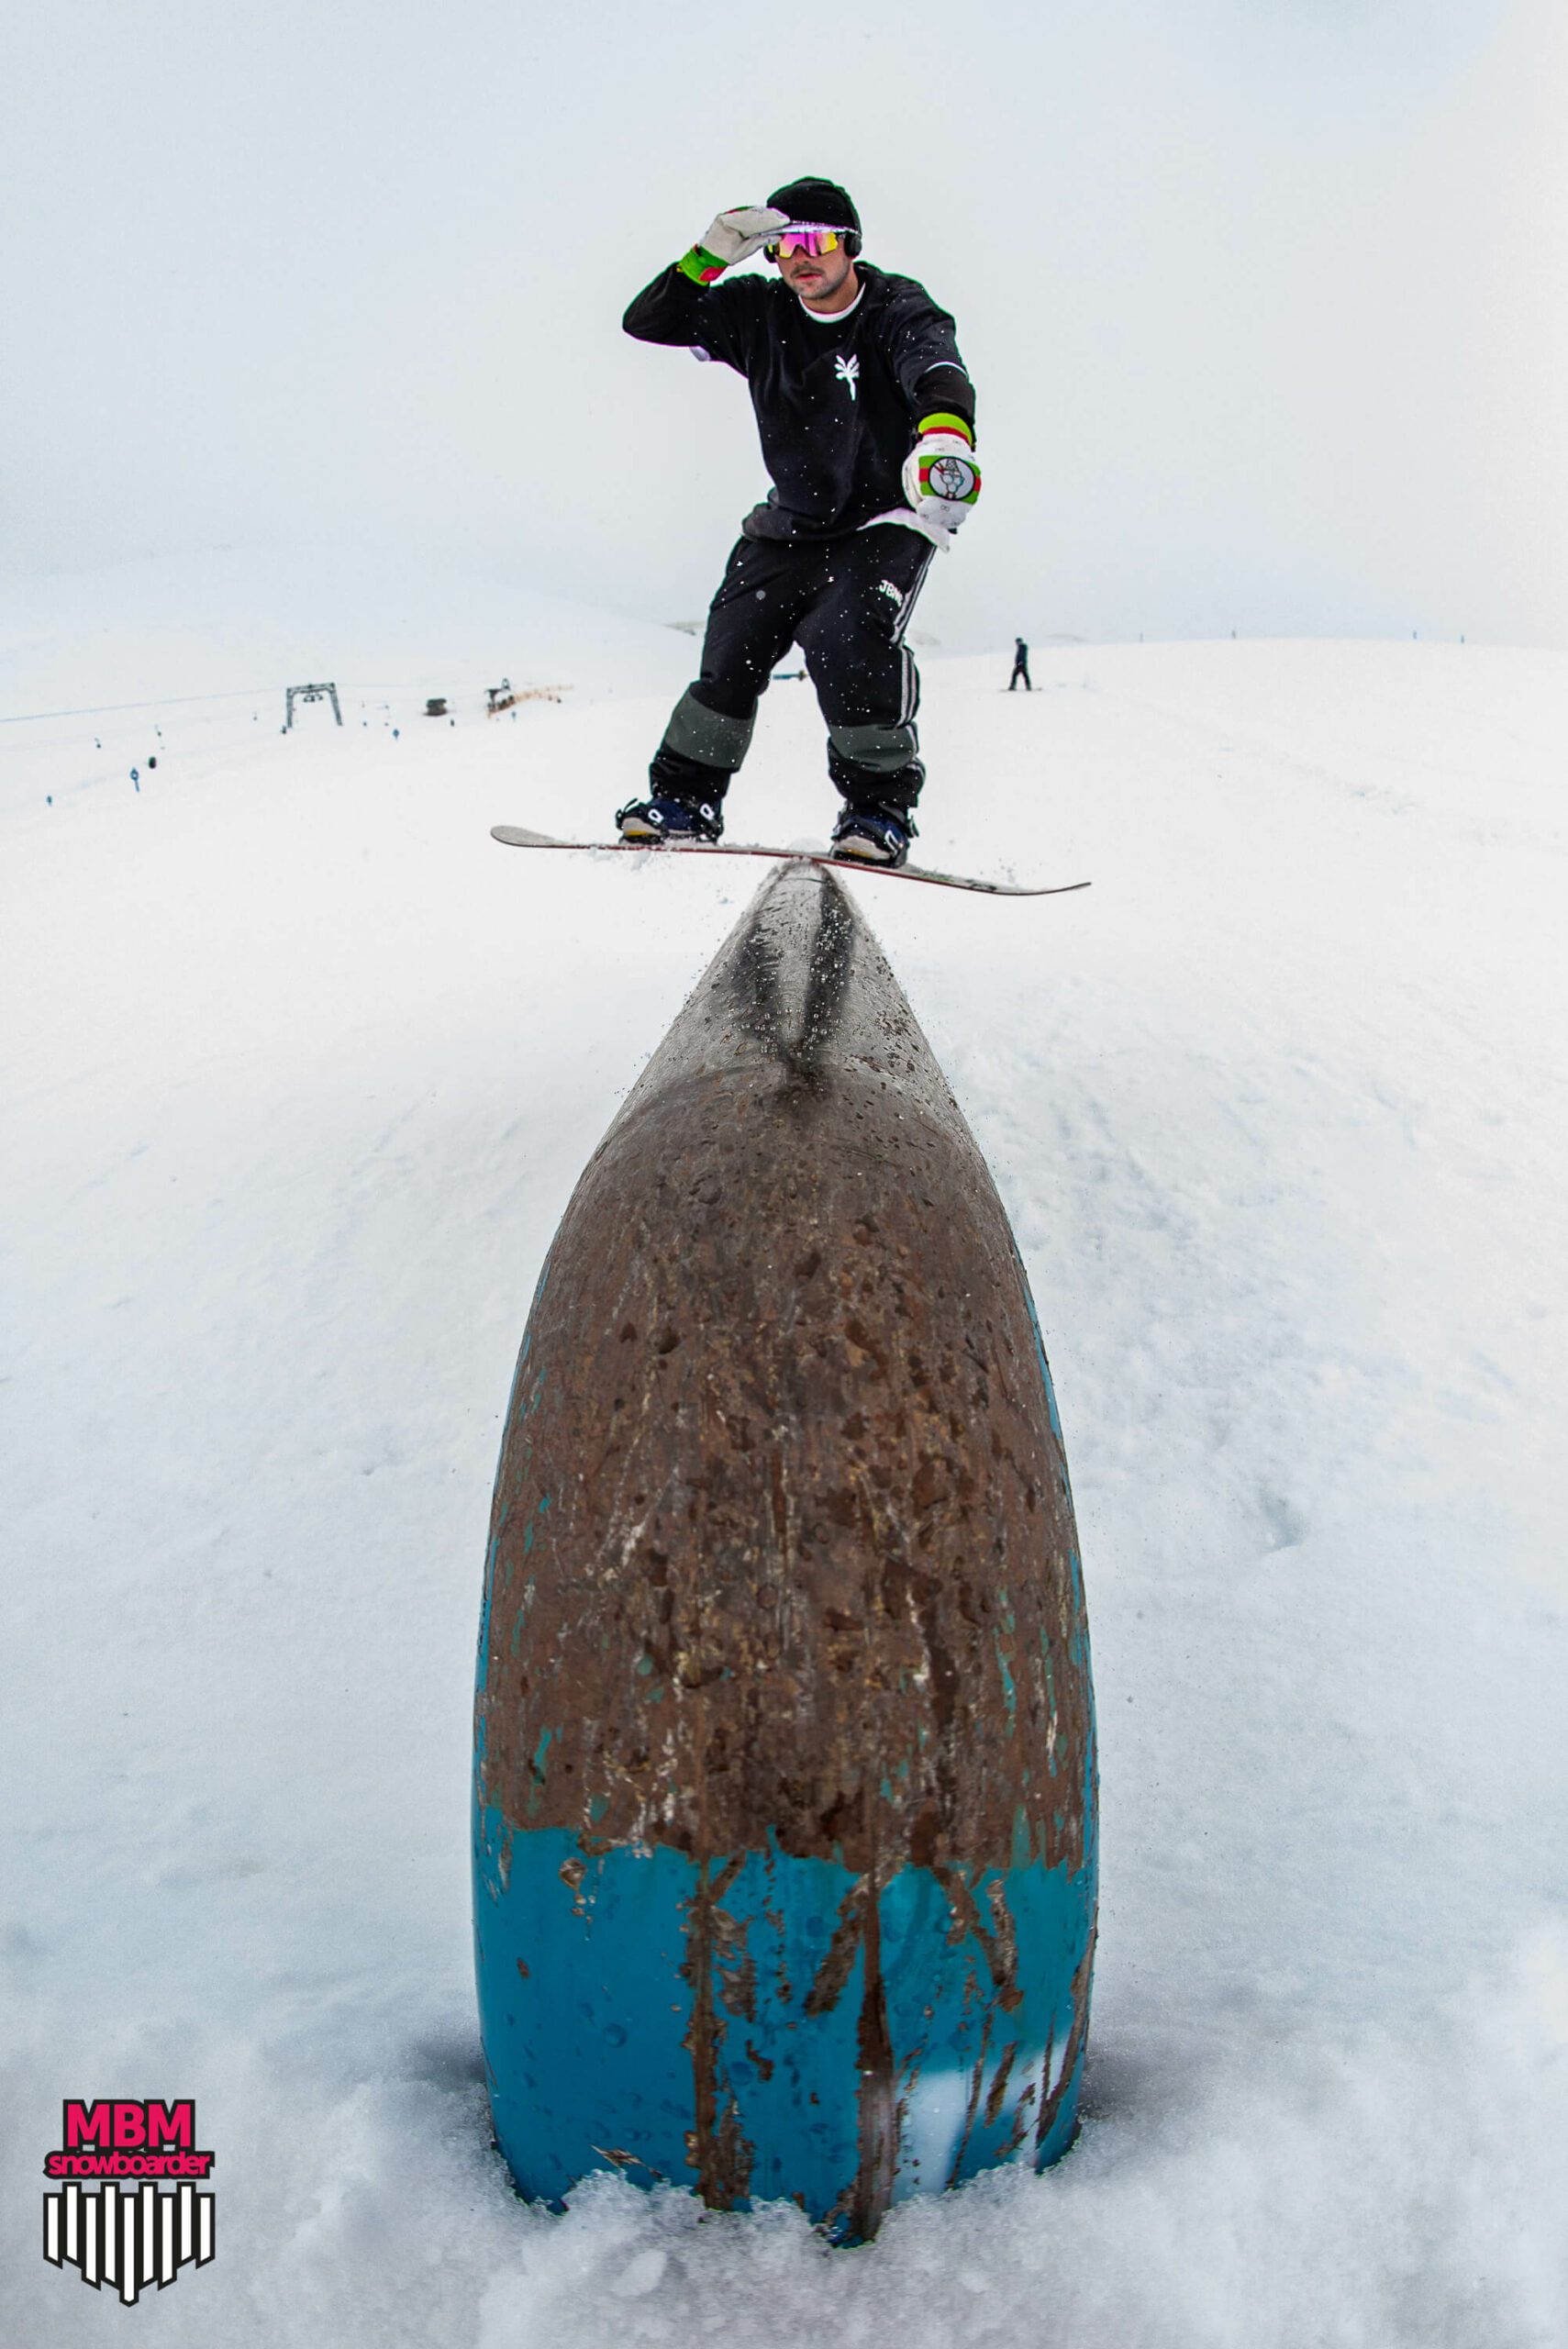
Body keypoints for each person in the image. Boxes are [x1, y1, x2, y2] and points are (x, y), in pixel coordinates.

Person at [615, 177, 980, 868]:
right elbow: (649, 321)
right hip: (788, 525)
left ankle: (879, 810)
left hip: (886, 519)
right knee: (731, 649)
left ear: (849, 246)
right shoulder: (758, 310)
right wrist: (710, 252)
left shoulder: (895, 306)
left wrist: (943, 437)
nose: (798, 260)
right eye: (781, 248)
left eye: (814, 242)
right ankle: (685, 801)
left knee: (844, 643)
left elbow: (936, 368)